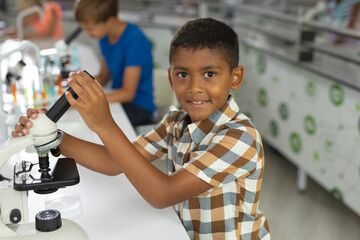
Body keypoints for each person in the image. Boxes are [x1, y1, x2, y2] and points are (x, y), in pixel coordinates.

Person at [13, 18, 270, 239]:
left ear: (235, 77)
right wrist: (53, 137)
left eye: (210, 74)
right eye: (183, 75)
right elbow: (114, 162)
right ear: (170, 77)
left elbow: (163, 194)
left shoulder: (240, 138)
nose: (194, 87)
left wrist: (104, 124)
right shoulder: (175, 122)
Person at [74, 0, 156, 127]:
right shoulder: (104, 37)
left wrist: (87, 99)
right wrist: (78, 86)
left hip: (138, 107)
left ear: (110, 21)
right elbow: (104, 77)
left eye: (90, 29)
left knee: (89, 122)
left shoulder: (135, 40)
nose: (86, 33)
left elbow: (128, 93)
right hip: (118, 98)